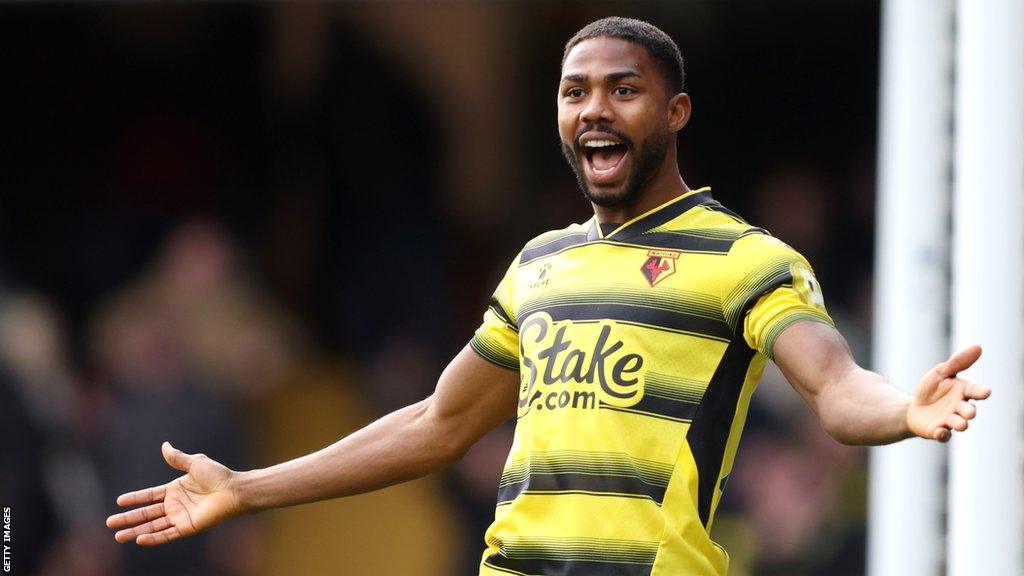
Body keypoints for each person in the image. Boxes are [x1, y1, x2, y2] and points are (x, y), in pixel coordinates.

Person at [107, 17, 991, 575]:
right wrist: (248, 488)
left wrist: (901, 407)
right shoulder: (540, 265)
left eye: (624, 89)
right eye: (575, 92)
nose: (594, 110)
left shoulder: (743, 258)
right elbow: (437, 425)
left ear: (676, 113)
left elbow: (835, 388)